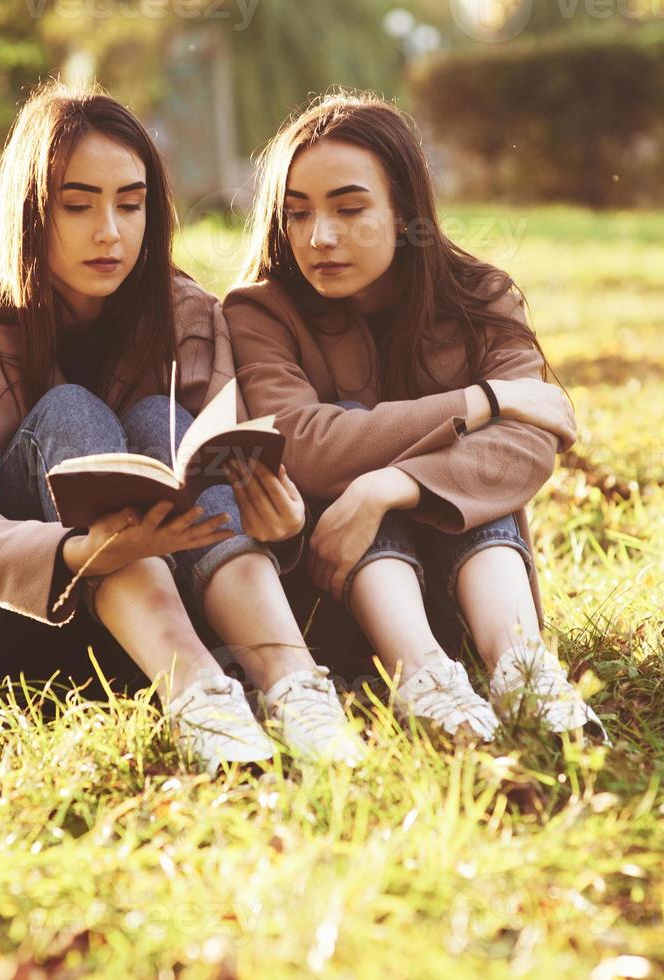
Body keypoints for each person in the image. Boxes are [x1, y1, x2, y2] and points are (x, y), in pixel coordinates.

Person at [0, 83, 366, 772]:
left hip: (159, 629)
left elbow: (227, 477)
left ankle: (294, 688)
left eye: (130, 204)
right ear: (30, 211)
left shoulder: (188, 314)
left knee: (160, 421)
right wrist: (89, 550)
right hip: (4, 629)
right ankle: (199, 697)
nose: (109, 231)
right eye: (77, 206)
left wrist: (280, 517)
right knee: (71, 412)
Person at [224, 91, 609, 747]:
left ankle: (521, 668)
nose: (320, 237)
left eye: (349, 209)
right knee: (356, 422)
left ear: (403, 210)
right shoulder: (258, 313)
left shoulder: (479, 296)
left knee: (471, 459)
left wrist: (390, 486)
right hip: (334, 598)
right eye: (298, 214)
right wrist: (478, 402)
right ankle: (421, 676)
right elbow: (306, 446)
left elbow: (532, 436)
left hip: (471, 600)